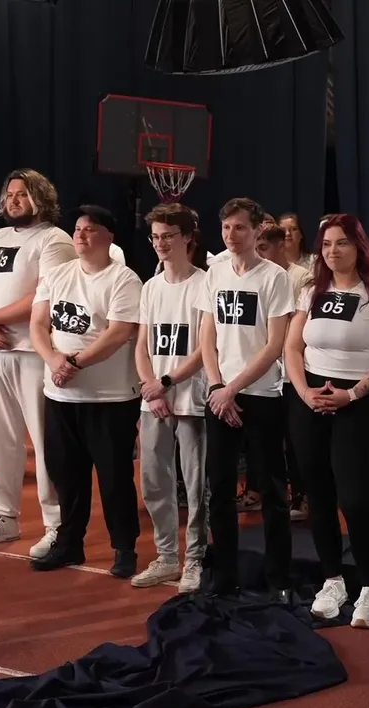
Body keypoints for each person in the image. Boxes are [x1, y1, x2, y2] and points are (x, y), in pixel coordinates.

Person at [286, 214, 369, 628]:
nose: (333, 251)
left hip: (361, 402)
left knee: (354, 500)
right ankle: (332, 580)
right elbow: (292, 348)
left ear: (359, 247)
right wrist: (305, 393)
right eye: (326, 244)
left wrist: (351, 395)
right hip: (311, 400)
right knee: (318, 497)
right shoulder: (311, 291)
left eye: (341, 243)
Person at [0, 169, 75, 557]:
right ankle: (4, 517)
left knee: (44, 440)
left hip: (32, 353)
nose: (13, 201)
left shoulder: (54, 239)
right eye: (9, 195)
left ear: (40, 198)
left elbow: (46, 293)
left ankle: (57, 524)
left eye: (22, 194)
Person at [29, 206, 143, 576]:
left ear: (109, 236)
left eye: (90, 229)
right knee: (66, 475)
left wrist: (74, 363)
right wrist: (53, 360)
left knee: (114, 478)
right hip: (60, 396)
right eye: (78, 229)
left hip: (109, 399)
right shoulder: (57, 274)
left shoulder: (124, 280)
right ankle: (69, 545)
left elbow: (118, 332)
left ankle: (124, 548)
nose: (80, 235)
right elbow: (38, 324)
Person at [196, 197, 295, 601]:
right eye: (226, 227)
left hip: (261, 395)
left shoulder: (274, 278)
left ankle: (279, 579)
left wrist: (232, 388)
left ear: (257, 231)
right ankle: (224, 576)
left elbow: (274, 345)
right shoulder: (215, 273)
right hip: (220, 395)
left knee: (272, 491)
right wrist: (216, 387)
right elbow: (207, 335)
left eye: (240, 227)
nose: (231, 235)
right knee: (219, 489)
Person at [133, 203, 208, 592]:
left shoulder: (204, 284)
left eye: (168, 236)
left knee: (196, 486)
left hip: (191, 399)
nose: (160, 243)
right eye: (155, 237)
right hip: (155, 400)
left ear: (187, 238)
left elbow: (204, 349)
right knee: (154, 482)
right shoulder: (151, 287)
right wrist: (151, 388)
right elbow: (141, 346)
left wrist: (166, 381)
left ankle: (195, 559)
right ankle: (166, 557)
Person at [256, 225, 313, 520]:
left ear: (281, 246)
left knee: (296, 441)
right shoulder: (258, 275)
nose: (259, 253)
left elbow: (296, 324)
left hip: (291, 370)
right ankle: (273, 495)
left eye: (264, 248)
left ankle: (304, 496)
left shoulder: (300, 277)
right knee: (269, 442)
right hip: (265, 370)